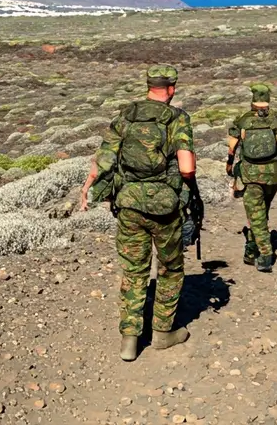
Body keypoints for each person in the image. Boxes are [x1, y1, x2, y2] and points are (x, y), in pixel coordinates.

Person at [80, 65, 198, 362]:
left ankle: (129, 340)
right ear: (171, 88)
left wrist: (87, 188)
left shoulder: (126, 115)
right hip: (165, 206)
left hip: (129, 204)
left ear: (148, 85)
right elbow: (186, 168)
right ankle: (161, 333)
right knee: (170, 268)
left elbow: (103, 159)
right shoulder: (178, 119)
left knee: (134, 270)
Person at [226, 83, 277, 273]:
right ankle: (250, 249)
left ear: (253, 100)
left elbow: (232, 145)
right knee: (261, 212)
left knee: (256, 214)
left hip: (250, 173)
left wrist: (230, 164)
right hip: (272, 173)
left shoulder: (243, 119)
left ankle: (265, 254)